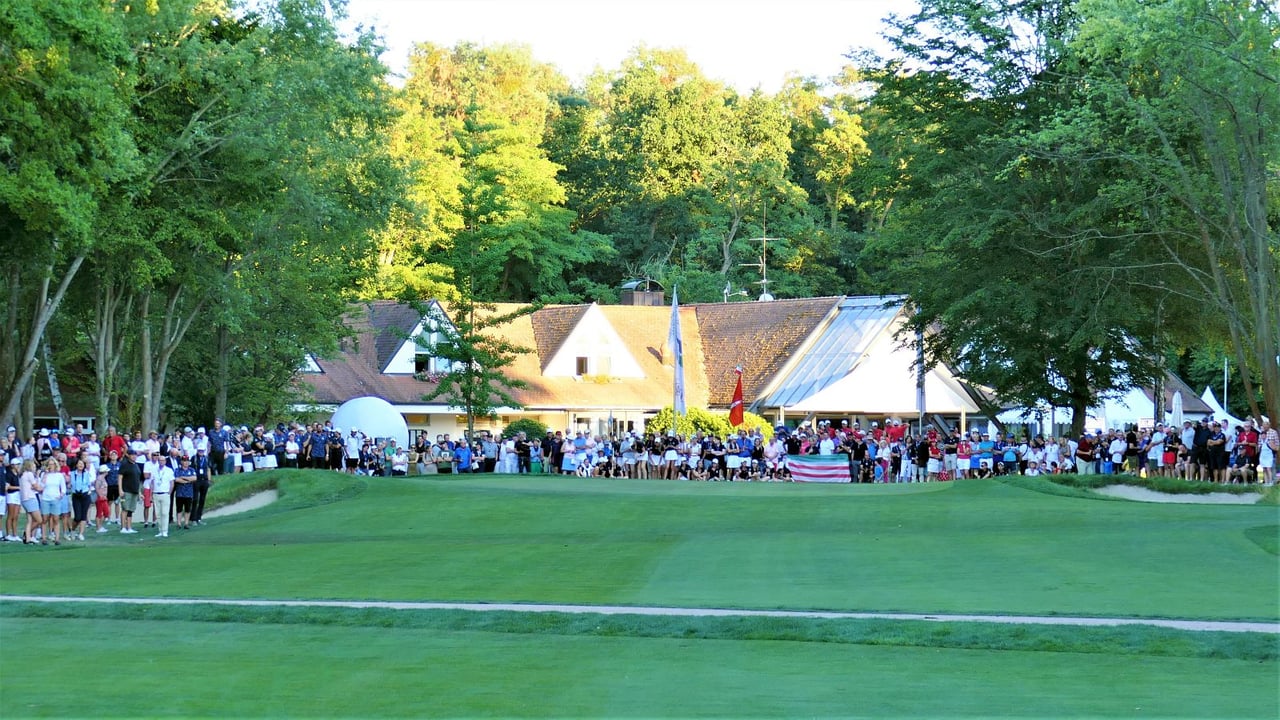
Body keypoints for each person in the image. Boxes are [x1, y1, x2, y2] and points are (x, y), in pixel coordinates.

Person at [38, 458, 66, 545]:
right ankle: (44, 538)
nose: (51, 466)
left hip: (55, 499)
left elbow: (63, 488)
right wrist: (45, 474)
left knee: (56, 519)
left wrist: (61, 495)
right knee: (45, 519)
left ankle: (57, 539)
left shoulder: (59, 475)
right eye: (49, 464)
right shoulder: (44, 475)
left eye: (52, 464)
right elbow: (41, 486)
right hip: (45, 498)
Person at [68, 457, 94, 541]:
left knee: (83, 516)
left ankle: (81, 534)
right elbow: (69, 484)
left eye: (82, 464)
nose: (81, 465)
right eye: (79, 464)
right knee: (77, 517)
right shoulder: (72, 474)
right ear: (76, 465)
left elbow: (89, 485)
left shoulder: (86, 474)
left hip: (85, 495)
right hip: (76, 496)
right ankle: (72, 530)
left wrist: (89, 491)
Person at [19, 460, 44, 544]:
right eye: (33, 465)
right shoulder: (29, 474)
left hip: (24, 499)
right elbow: (36, 486)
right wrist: (42, 488)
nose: (34, 467)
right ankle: (27, 533)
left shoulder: (22, 475)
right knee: (39, 520)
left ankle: (28, 538)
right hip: (30, 498)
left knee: (30, 520)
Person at [174, 455, 196, 529]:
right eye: (184, 461)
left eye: (187, 461)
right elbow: (177, 479)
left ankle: (186, 523)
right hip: (180, 493)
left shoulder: (191, 470)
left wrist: (183, 477)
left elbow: (194, 478)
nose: (185, 462)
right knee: (179, 509)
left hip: (189, 493)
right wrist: (188, 481)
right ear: (181, 462)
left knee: (187, 509)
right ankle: (179, 523)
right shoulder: (177, 470)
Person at [4, 456, 20, 541]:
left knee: (16, 516)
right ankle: (8, 534)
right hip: (11, 495)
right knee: (10, 515)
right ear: (12, 465)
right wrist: (18, 487)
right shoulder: (9, 474)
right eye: (17, 464)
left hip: (17, 495)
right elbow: (7, 487)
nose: (18, 466)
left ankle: (15, 534)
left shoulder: (18, 474)